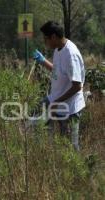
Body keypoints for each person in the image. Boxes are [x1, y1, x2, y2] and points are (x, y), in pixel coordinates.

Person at [33, 21, 86, 151]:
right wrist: (43, 61)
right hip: (55, 99)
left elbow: (77, 86)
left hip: (70, 107)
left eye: (46, 39)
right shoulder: (58, 48)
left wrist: (57, 102)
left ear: (54, 37)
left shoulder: (70, 54)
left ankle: (75, 169)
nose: (45, 42)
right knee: (33, 117)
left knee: (70, 145)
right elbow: (58, 71)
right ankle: (41, 152)